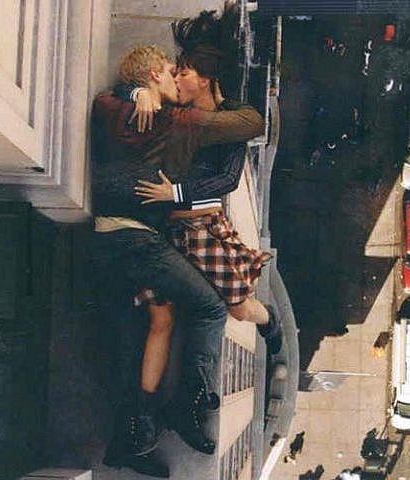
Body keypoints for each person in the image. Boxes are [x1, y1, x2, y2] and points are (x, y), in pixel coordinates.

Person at [91, 41, 264, 477]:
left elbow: (103, 100)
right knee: (210, 307)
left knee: (148, 328)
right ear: (155, 76)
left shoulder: (114, 107)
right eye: (171, 71)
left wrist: (133, 93)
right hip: (135, 240)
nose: (176, 80)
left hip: (114, 236)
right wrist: (143, 94)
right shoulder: (176, 120)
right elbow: (251, 122)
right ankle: (185, 406)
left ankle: (132, 438)